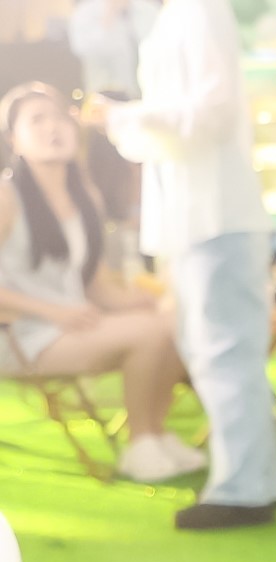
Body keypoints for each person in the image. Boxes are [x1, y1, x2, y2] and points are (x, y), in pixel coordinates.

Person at [101, 0, 276, 531]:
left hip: (214, 215)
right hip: (198, 216)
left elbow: (213, 110)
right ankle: (249, 481)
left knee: (224, 353)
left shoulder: (199, 10)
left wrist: (127, 116)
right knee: (214, 353)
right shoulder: (176, 15)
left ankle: (245, 489)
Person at [0, 81, 196, 483]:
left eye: (59, 117)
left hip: (73, 324)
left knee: (175, 321)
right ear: (14, 139)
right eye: (37, 120)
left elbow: (91, 284)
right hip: (21, 335)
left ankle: (156, 432)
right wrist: (53, 312)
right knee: (148, 333)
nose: (52, 127)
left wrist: (133, 301)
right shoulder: (6, 197)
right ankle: (141, 443)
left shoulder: (84, 194)